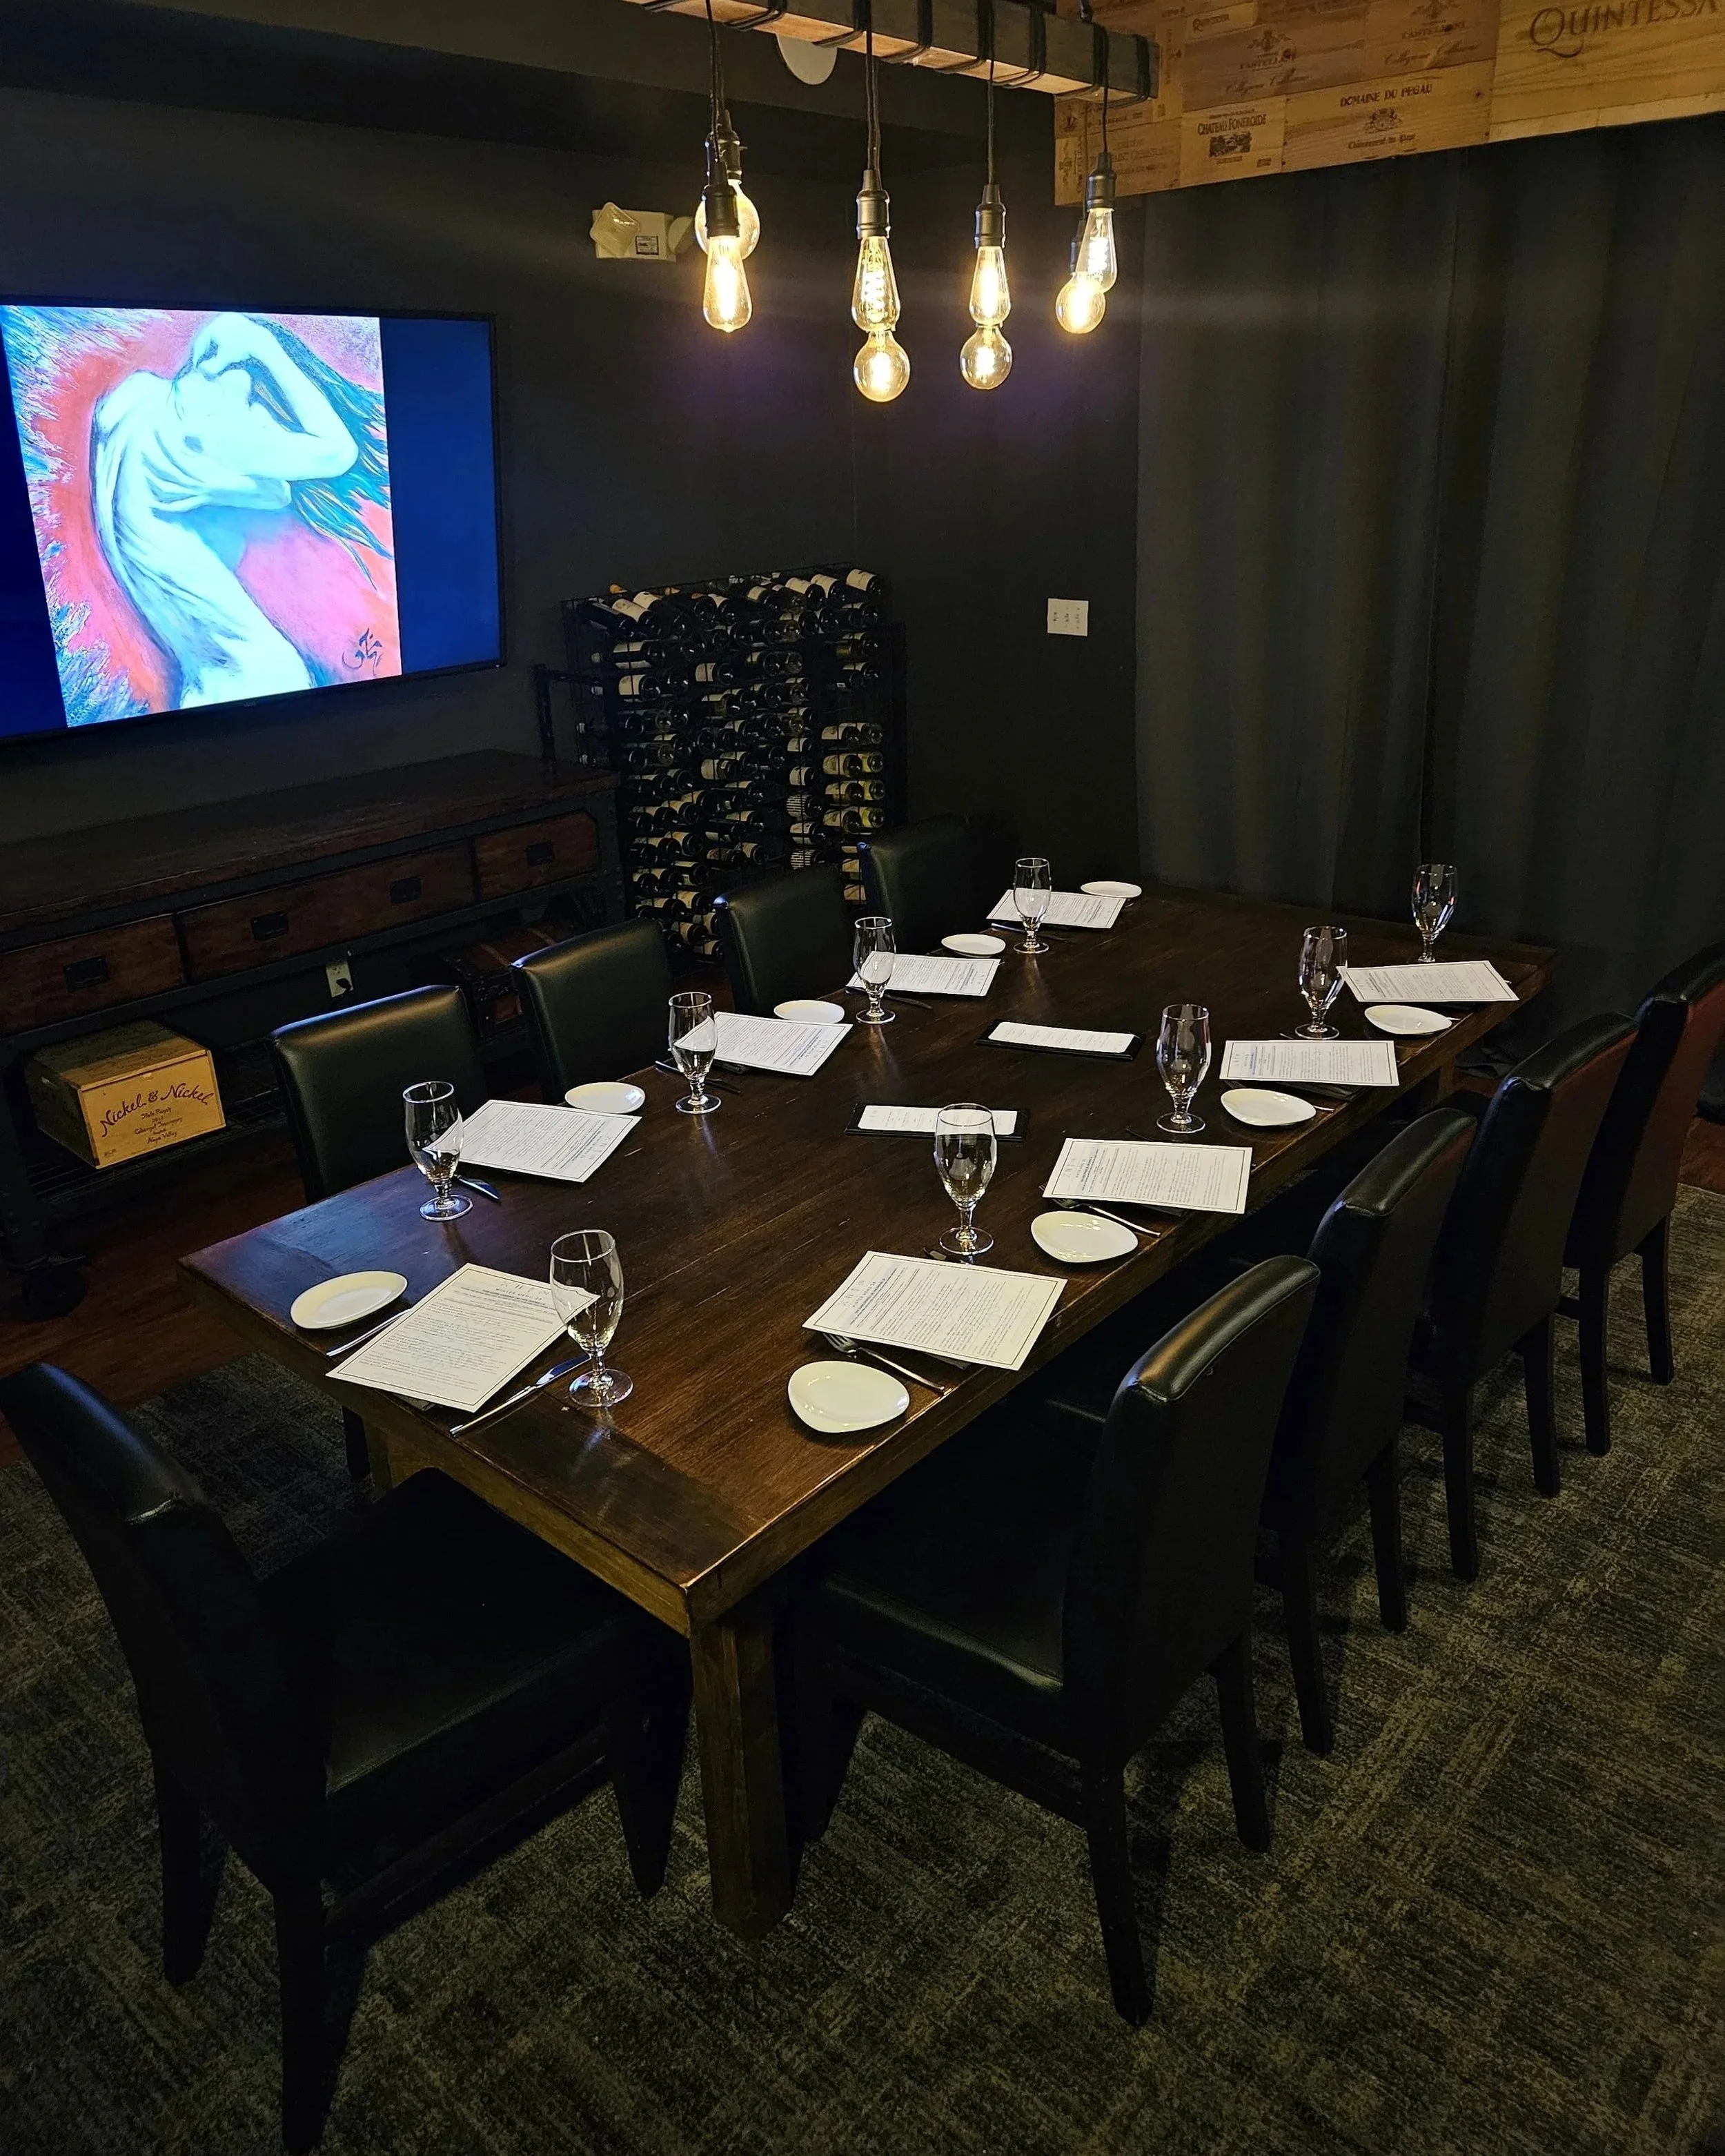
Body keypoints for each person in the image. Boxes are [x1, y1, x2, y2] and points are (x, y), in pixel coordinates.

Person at [90, 312, 389, 709]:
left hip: (202, 688)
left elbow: (273, 495)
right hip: (261, 679)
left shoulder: (130, 400)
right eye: (256, 408)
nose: (261, 422)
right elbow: (338, 452)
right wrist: (267, 347)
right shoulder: (207, 436)